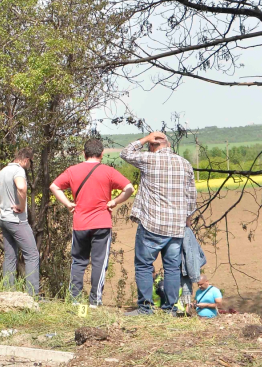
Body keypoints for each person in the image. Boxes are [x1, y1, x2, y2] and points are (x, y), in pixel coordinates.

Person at [50, 139, 134, 307]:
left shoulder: (73, 171)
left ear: (84, 153)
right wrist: (115, 202)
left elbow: (54, 186)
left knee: (78, 262)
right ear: (102, 154)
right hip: (102, 223)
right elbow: (129, 188)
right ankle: (94, 302)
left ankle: (74, 300)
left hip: (80, 223)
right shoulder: (108, 172)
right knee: (99, 263)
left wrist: (68, 204)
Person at [120, 131, 196, 315]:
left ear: (153, 146)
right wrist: (186, 222)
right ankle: (170, 308)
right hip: (176, 227)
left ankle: (145, 308)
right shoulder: (185, 164)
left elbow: (126, 153)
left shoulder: (149, 159)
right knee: (171, 267)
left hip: (152, 225)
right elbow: (192, 198)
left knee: (144, 265)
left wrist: (145, 138)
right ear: (168, 145)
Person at [0, 148, 40, 295]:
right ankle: (33, 295)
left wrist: (0, 202)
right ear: (26, 159)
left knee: (10, 256)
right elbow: (21, 188)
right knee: (32, 255)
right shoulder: (19, 171)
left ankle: (8, 292)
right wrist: (21, 206)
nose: (30, 165)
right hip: (17, 221)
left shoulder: (2, 172)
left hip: (4, 219)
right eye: (31, 162)